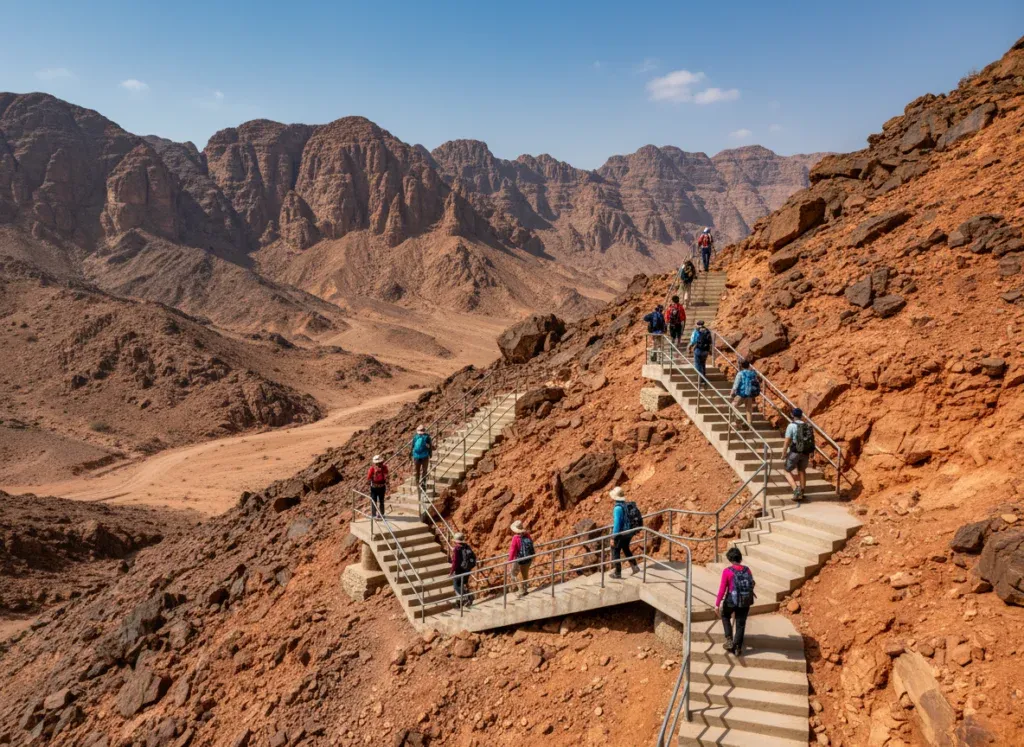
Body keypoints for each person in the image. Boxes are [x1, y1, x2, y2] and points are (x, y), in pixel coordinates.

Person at [715, 547, 756, 655]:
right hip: (745, 600)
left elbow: (722, 589)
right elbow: (752, 583)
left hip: (731, 601)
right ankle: (737, 647)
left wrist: (717, 604)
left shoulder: (727, 571)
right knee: (740, 623)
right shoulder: (747, 570)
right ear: (740, 558)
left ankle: (729, 640)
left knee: (725, 615)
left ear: (729, 559)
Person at [782, 408, 815, 501]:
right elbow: (812, 440)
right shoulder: (807, 425)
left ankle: (796, 490)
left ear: (792, 415)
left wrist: (784, 452)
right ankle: (802, 491)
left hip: (795, 451)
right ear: (801, 416)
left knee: (786, 471)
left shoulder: (791, 426)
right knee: (802, 470)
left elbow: (787, 440)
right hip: (805, 452)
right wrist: (812, 452)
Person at [609, 487, 640, 579]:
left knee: (615, 550)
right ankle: (635, 567)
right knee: (626, 548)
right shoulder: (625, 505)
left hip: (622, 533)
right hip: (629, 532)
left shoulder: (617, 508)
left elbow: (617, 524)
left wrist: (613, 537)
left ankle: (617, 572)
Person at [730, 359, 760, 431]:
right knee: (749, 410)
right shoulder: (752, 373)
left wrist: (732, 393)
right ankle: (749, 426)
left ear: (741, 366)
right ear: (749, 365)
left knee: (733, 405)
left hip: (741, 394)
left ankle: (739, 419)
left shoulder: (740, 373)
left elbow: (736, 385)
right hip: (750, 394)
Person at [508, 520, 534, 598]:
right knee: (524, 574)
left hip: (520, 558)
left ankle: (521, 589)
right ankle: (525, 589)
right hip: (529, 558)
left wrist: (510, 560)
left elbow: (512, 550)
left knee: (513, 573)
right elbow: (531, 544)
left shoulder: (516, 538)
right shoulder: (527, 535)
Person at [450, 532, 476, 608]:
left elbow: (455, 562)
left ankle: (467, 597)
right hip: (467, 569)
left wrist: (451, 572)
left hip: (460, 570)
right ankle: (462, 600)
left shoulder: (457, 549)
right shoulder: (467, 546)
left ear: (455, 541)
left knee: (456, 585)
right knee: (462, 584)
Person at [411, 425, 433, 494]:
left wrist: (411, 455)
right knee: (424, 470)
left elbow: (412, 446)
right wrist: (430, 454)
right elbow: (430, 447)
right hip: (425, 456)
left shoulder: (415, 437)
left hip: (416, 457)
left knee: (417, 471)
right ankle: (423, 484)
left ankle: (417, 484)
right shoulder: (427, 437)